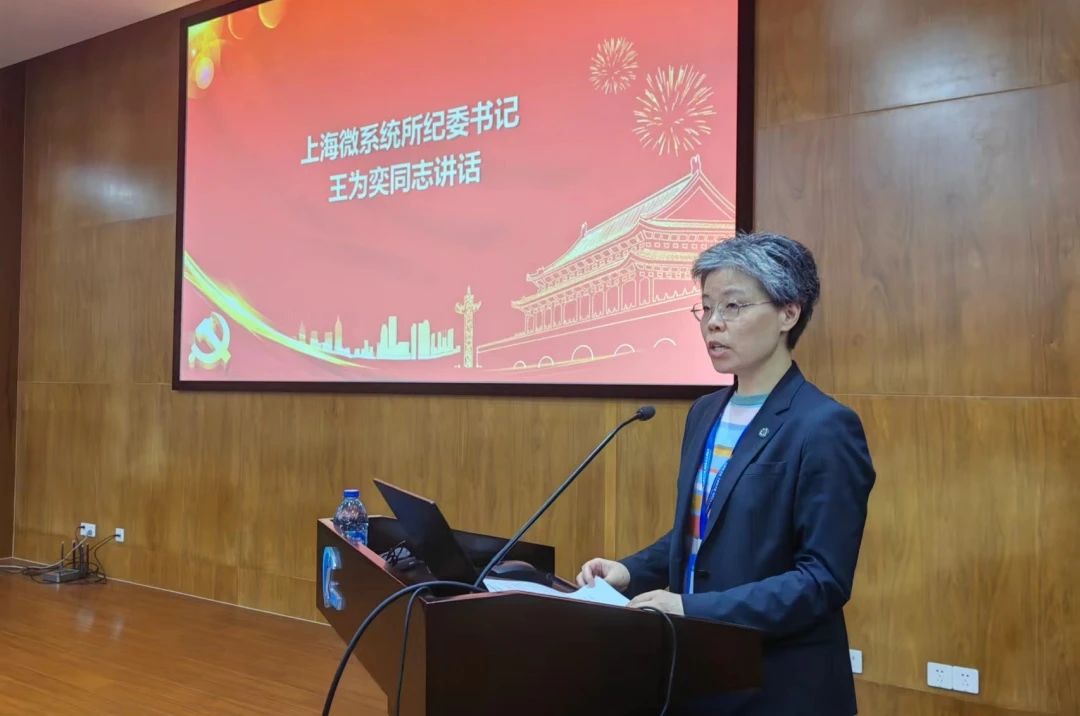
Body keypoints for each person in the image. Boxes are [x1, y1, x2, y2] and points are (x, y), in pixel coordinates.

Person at [577, 232, 875, 715]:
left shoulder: (823, 426)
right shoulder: (705, 412)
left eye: (733, 306)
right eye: (706, 307)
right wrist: (630, 570)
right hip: (699, 672)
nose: (714, 323)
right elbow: (703, 530)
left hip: (777, 684)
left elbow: (821, 581)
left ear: (788, 313)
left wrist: (692, 608)